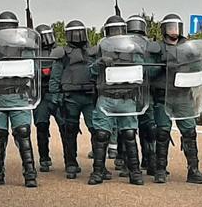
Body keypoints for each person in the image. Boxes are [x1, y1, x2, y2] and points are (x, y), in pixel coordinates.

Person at [0, 11, 38, 187]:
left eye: (9, 27)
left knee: (23, 133)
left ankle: (30, 174)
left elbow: (32, 68)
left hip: (19, 96)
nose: (6, 30)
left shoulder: (25, 46)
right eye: (4, 27)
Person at [88, 15, 145, 185]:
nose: (114, 34)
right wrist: (99, 64)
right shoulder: (100, 48)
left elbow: (143, 71)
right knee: (101, 134)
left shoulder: (133, 49)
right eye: (111, 30)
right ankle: (98, 172)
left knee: (129, 134)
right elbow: (90, 72)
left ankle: (135, 172)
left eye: (117, 30)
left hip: (127, 97)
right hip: (106, 96)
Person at [152, 14, 202, 184]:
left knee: (190, 133)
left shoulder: (189, 48)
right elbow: (149, 74)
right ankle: (160, 170)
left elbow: (199, 68)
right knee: (162, 133)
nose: (174, 31)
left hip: (183, 96)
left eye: (176, 27)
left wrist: (189, 64)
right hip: (163, 97)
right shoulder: (157, 49)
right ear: (164, 29)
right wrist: (161, 64)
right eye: (170, 27)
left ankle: (194, 170)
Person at [49, 20, 96, 180]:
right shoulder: (62, 54)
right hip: (70, 98)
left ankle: (99, 166)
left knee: (96, 130)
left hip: (90, 96)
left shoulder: (91, 52)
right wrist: (55, 97)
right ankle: (70, 163)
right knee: (70, 131)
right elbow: (55, 77)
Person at [126, 14, 157, 176]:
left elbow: (153, 69)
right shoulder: (123, 45)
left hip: (140, 92)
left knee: (135, 129)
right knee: (137, 129)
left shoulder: (150, 46)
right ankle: (141, 163)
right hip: (134, 93)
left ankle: (146, 162)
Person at [33, 24, 66, 172]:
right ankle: (44, 158)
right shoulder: (32, 53)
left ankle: (70, 159)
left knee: (66, 127)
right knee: (41, 126)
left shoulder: (60, 51)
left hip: (58, 94)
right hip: (41, 94)